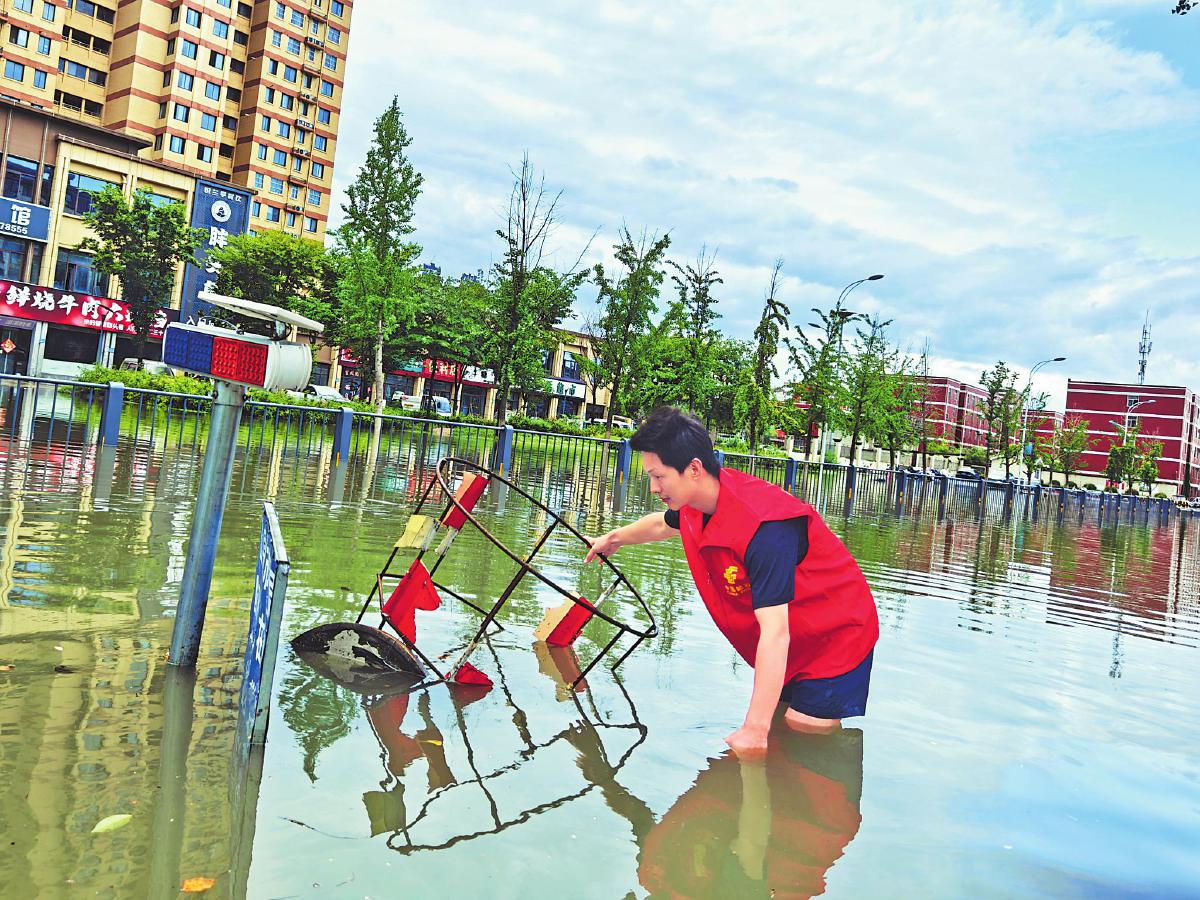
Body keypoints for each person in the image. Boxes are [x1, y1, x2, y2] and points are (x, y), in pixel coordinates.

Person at [585, 407, 878, 755]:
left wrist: (754, 729)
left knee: (803, 729)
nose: (653, 487)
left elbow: (775, 633)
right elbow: (663, 524)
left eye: (659, 476)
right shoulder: (695, 502)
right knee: (780, 724)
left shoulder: (764, 529)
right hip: (796, 638)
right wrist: (613, 539)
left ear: (694, 469)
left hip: (836, 635)